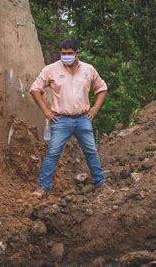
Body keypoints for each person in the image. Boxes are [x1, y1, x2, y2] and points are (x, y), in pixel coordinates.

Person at [29, 39, 110, 197]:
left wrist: (94, 109)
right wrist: (46, 110)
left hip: (83, 118)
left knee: (91, 151)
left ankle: (100, 184)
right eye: (63, 53)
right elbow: (35, 89)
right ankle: (43, 188)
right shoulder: (51, 70)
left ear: (77, 53)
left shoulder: (88, 69)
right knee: (53, 153)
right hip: (60, 119)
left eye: (70, 53)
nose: (66, 56)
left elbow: (102, 88)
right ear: (60, 52)